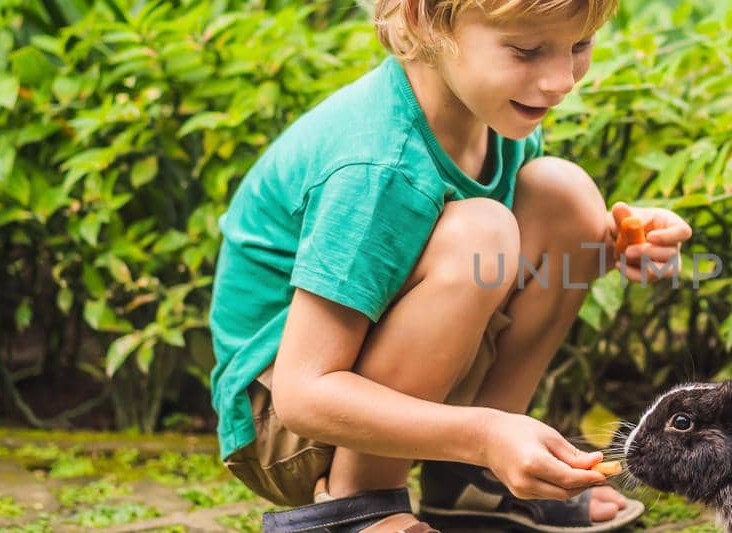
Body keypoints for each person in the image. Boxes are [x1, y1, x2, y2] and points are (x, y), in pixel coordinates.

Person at [207, 0, 692, 530]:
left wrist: (616, 245)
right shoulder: (378, 165)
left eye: (579, 46)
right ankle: (360, 503)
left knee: (566, 197)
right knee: (480, 232)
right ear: (424, 21)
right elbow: (303, 393)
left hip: (379, 386)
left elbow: (523, 262)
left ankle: (469, 485)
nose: (560, 81)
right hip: (288, 427)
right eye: (527, 50)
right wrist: (484, 434)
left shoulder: (490, 116)